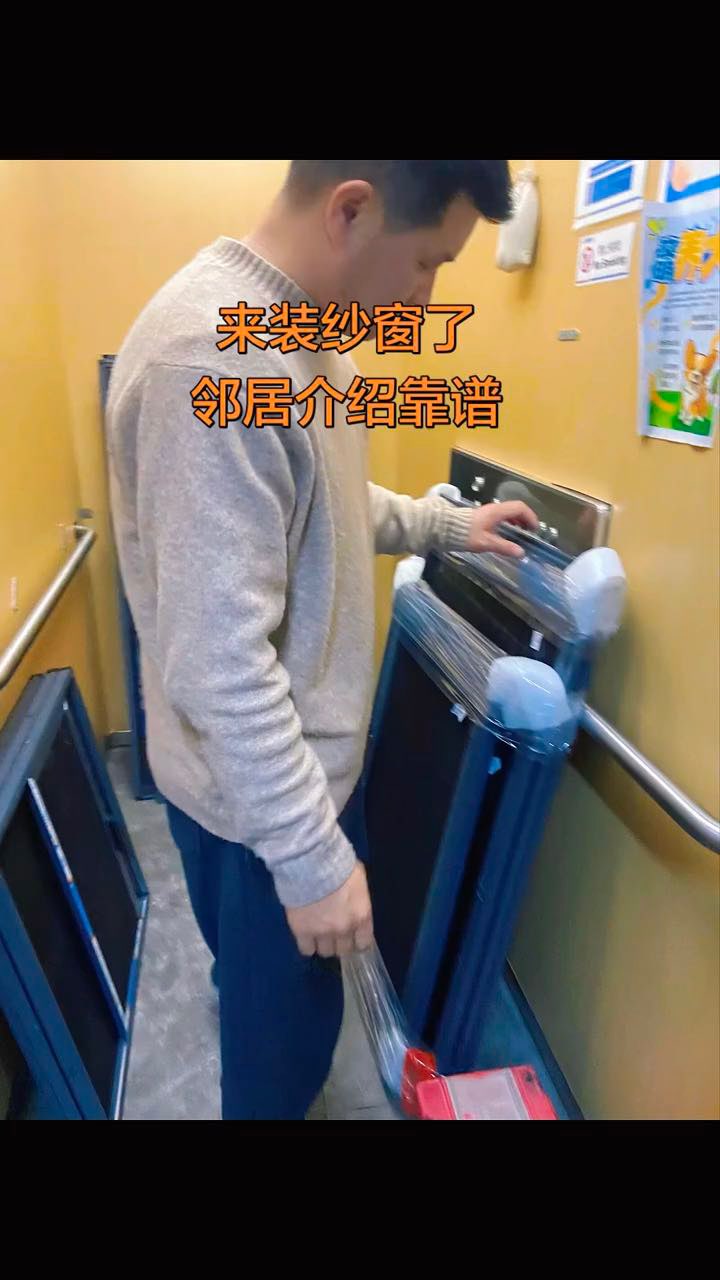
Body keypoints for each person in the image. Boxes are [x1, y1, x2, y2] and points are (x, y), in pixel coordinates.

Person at [106, 160, 538, 1119]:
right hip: (259, 809)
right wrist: (309, 855)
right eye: (428, 262)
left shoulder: (304, 343)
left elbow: (323, 506)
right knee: (280, 1068)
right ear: (353, 209)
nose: (425, 297)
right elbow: (218, 660)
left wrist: (444, 525)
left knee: (270, 1010)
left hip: (279, 786)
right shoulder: (214, 362)